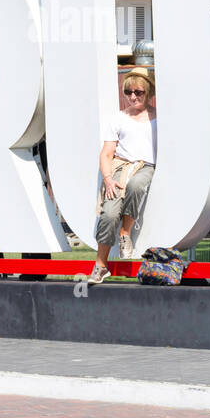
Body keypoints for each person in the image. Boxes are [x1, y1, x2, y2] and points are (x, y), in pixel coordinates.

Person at [88, 68, 157, 285]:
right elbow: (107, 153)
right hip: (120, 168)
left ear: (148, 92)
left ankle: (125, 232)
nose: (133, 96)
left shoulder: (160, 118)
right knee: (108, 214)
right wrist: (108, 178)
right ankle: (100, 265)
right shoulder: (118, 118)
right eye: (128, 92)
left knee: (137, 185)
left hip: (146, 165)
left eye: (138, 92)